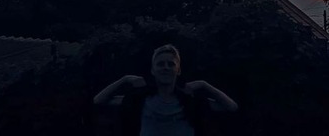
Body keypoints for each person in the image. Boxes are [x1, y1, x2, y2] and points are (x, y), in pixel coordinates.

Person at [93, 44, 238, 136]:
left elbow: (231, 106)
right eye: (160, 64)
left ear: (178, 70)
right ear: (153, 70)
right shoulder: (139, 99)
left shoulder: (190, 100)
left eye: (171, 64)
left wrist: (203, 84)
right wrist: (125, 79)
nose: (166, 68)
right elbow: (99, 100)